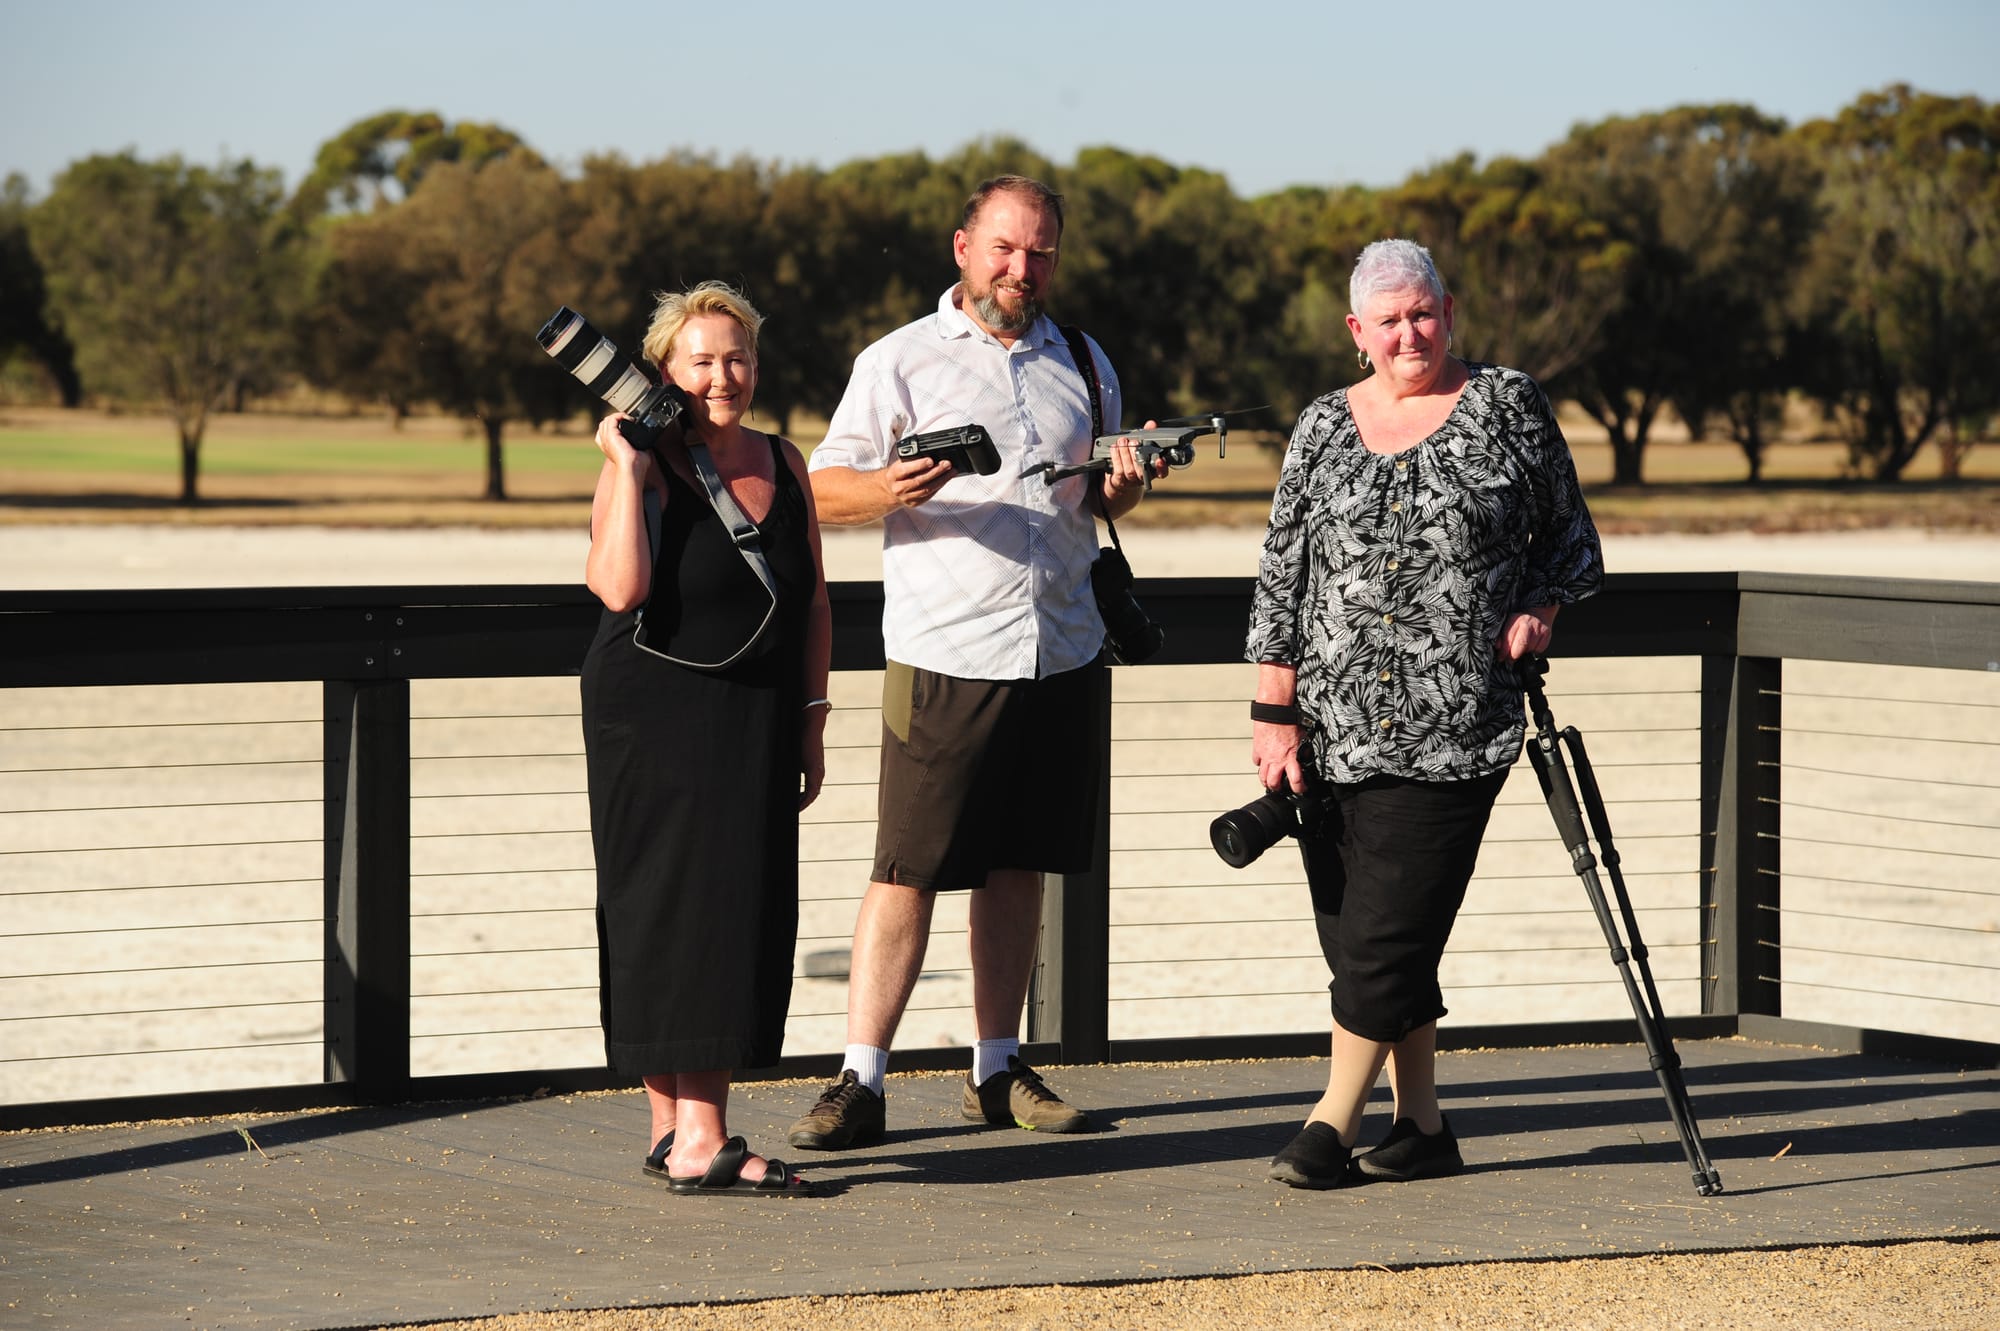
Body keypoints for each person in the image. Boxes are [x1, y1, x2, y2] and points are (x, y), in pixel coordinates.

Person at [787, 175, 1160, 1149]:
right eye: (1002, 247)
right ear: (962, 247)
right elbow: (818, 490)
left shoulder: (1082, 358)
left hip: (1063, 646)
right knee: (905, 867)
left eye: (1038, 251)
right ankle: (858, 1079)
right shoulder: (898, 360)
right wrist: (887, 486)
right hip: (943, 652)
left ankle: (997, 1066)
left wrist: (1121, 486)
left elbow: (1091, 501)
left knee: (1018, 864)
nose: (1019, 267)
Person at [1246, 239, 1604, 1189]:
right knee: (1362, 929)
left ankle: (1329, 1121)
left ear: (1450, 308)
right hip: (1328, 733)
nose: (1410, 333)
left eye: (1424, 312)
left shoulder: (1507, 405)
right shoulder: (1322, 426)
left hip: (1458, 727)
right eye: (1389, 320)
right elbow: (1283, 576)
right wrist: (1272, 712)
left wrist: (1540, 605)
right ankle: (1423, 1126)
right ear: (1357, 332)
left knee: (1386, 933)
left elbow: (1572, 541)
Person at [579, 280, 831, 1197]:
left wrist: (811, 718)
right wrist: (628, 464)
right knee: (671, 910)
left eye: (737, 357)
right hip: (651, 715)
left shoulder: (785, 459)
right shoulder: (640, 461)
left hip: (757, 715)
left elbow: (814, 603)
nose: (722, 375)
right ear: (662, 373)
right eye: (701, 360)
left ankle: (674, 1132)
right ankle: (697, 1136)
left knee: (737, 905)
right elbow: (616, 588)